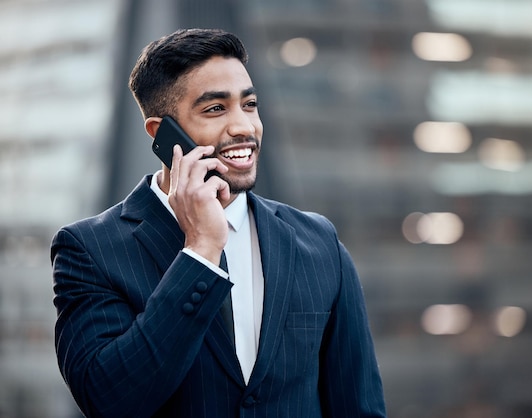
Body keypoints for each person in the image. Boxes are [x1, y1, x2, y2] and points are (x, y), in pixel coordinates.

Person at [51, 28, 386, 418]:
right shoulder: (90, 250)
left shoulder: (318, 242)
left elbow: (359, 407)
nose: (244, 127)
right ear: (162, 135)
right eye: (215, 109)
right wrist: (200, 250)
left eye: (250, 104)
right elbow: (109, 401)